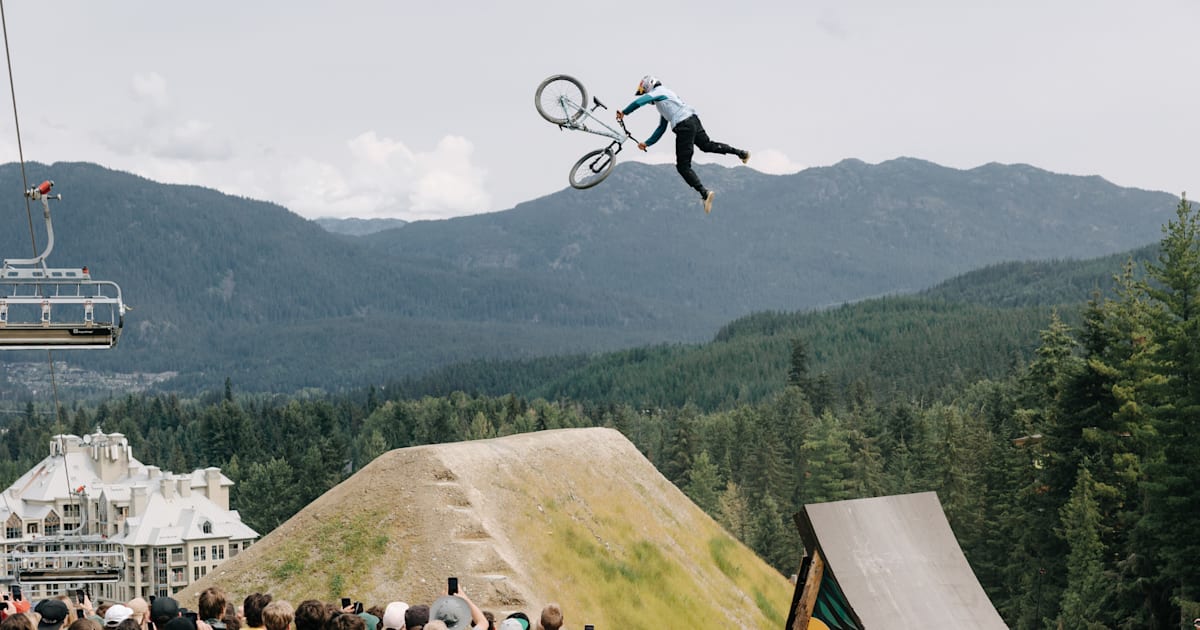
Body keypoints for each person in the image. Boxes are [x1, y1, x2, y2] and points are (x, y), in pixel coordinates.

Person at [616, 75, 749, 214]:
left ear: (649, 86)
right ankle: (741, 153)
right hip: (693, 120)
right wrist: (647, 143)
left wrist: (624, 112)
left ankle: (704, 193)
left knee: (683, 166)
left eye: (645, 91)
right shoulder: (666, 99)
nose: (646, 96)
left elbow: (641, 101)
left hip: (684, 125)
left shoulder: (659, 92)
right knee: (707, 145)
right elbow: (661, 128)